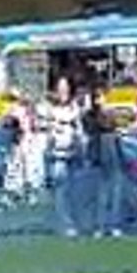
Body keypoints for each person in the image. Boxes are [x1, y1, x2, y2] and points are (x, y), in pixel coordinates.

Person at [82, 86, 124, 237]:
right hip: (97, 155)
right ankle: (98, 226)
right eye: (96, 97)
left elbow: (114, 128)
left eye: (101, 97)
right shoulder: (89, 115)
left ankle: (113, 224)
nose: (98, 101)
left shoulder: (110, 114)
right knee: (100, 192)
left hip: (112, 154)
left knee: (115, 192)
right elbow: (94, 127)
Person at [46, 77, 85, 236]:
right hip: (57, 155)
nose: (63, 92)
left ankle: (76, 221)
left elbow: (80, 130)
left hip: (74, 153)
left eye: (66, 88)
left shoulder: (75, 108)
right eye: (60, 88)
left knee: (75, 190)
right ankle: (63, 224)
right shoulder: (49, 110)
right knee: (60, 189)